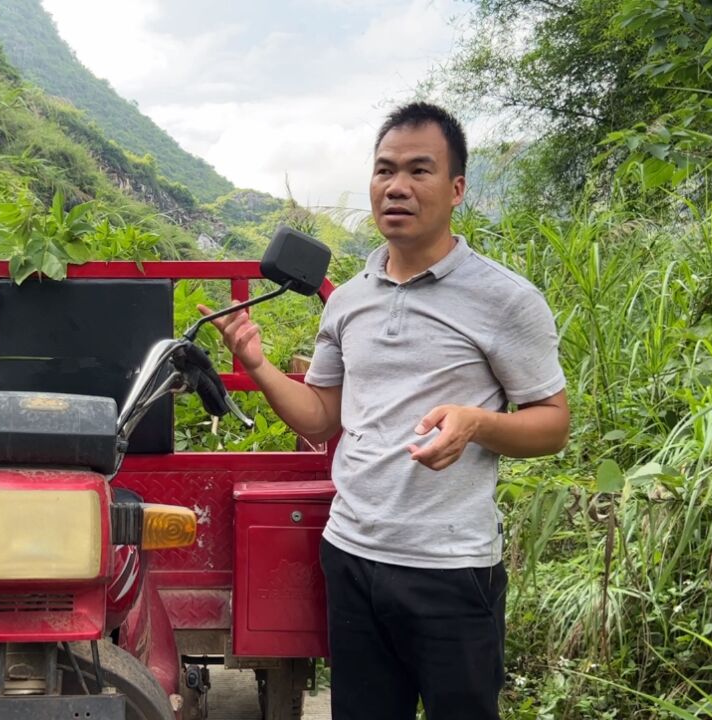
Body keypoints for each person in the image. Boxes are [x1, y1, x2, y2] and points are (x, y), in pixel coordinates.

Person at [198, 102, 569, 720]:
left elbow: (552, 423)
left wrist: (476, 422)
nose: (396, 186)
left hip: (450, 568)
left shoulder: (506, 300)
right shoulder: (346, 301)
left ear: (456, 190)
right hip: (352, 553)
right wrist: (259, 367)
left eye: (419, 171)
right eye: (384, 170)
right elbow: (321, 417)